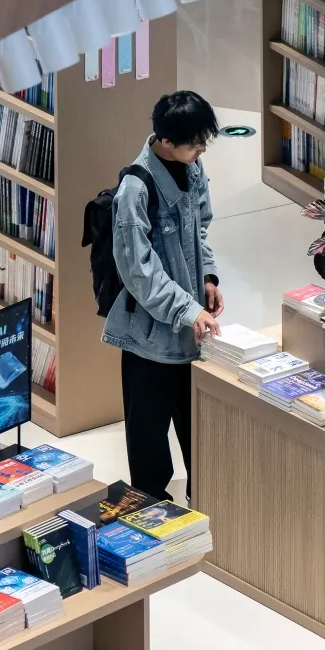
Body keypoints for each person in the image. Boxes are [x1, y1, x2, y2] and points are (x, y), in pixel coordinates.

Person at [102, 90, 223, 500]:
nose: (201, 149)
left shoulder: (193, 166)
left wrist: (208, 278)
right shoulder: (134, 191)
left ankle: (203, 506)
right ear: (166, 140)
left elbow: (200, 226)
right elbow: (140, 273)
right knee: (149, 455)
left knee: (200, 437)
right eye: (195, 143)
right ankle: (154, 519)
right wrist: (188, 309)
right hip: (148, 342)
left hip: (190, 333)